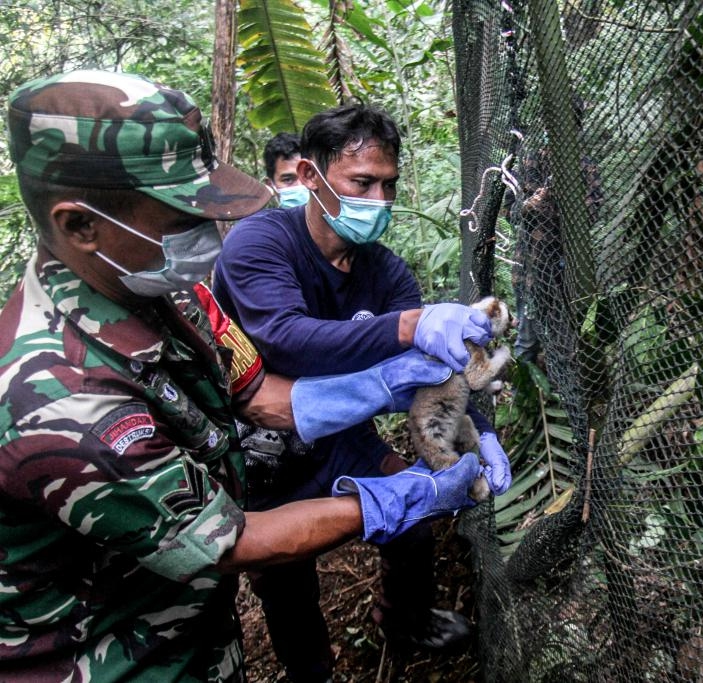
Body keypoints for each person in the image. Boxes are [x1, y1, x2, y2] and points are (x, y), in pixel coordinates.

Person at [0, 69, 488, 682]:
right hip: (114, 663)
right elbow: (228, 542)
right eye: (179, 218)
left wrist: (394, 387)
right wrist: (396, 498)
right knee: (288, 593)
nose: (206, 237)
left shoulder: (177, 302)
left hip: (197, 637)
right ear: (79, 225)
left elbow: (260, 395)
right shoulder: (60, 396)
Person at [212, 104, 513, 680]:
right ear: (309, 176)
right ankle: (312, 671)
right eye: (361, 182)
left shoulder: (386, 274)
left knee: (412, 523)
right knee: (286, 579)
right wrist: (407, 325)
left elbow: (436, 372)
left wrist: (486, 433)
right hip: (264, 452)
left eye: (389, 184)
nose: (379, 200)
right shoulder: (260, 244)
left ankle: (404, 619)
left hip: (343, 439)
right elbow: (286, 338)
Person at [263, 131, 308, 208]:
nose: (300, 186)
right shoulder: (260, 220)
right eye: (288, 180)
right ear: (270, 185)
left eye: (308, 176)